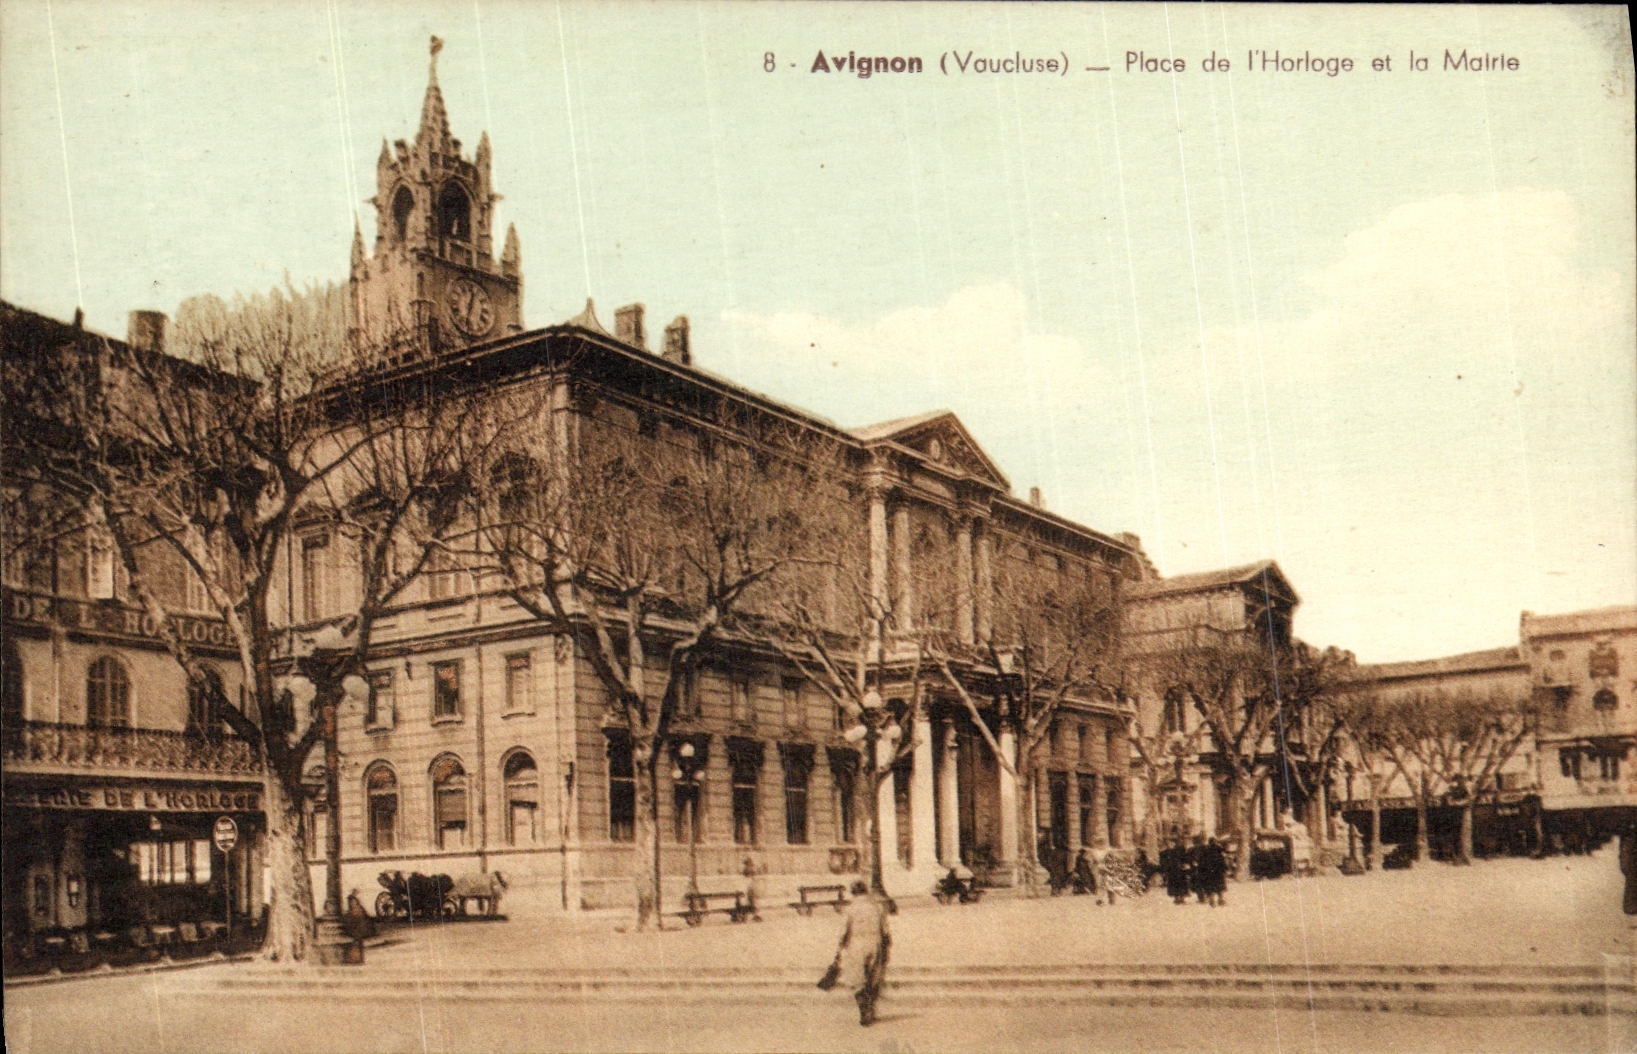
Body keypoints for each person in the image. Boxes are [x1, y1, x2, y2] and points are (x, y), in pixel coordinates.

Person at [828, 880, 890, 1026]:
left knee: (858, 980)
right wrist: (885, 948)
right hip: (875, 943)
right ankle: (871, 1008)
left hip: (856, 945)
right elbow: (885, 930)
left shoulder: (850, 909)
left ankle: (864, 1011)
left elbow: (843, 931)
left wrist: (839, 949)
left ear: (853, 892)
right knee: (873, 978)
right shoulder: (877, 907)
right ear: (865, 891)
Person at [1198, 837, 1229, 907]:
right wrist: (1225, 869)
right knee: (1219, 886)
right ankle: (1220, 900)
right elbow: (1222, 860)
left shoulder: (1205, 850)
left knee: (1210, 887)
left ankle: (1212, 900)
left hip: (1209, 872)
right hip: (1218, 872)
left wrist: (1201, 870)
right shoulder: (1219, 850)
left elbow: (1201, 861)